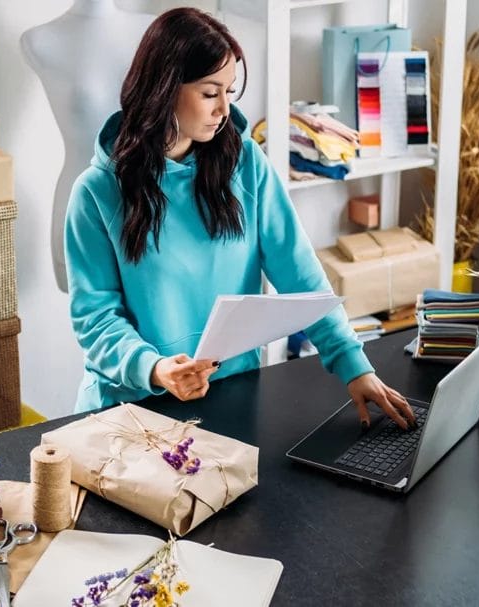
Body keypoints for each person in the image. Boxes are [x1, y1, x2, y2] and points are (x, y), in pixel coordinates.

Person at [64, 7, 416, 430]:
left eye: (230, 92)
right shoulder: (96, 193)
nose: (224, 109)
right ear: (163, 88)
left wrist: (354, 366)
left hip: (231, 394)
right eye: (211, 93)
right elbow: (96, 319)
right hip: (132, 407)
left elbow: (299, 275)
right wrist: (156, 369)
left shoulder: (246, 163)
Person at [20, 0, 155, 293]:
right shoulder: (40, 40)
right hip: (82, 203)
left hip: (151, 199)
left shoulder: (152, 30)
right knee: (95, 325)